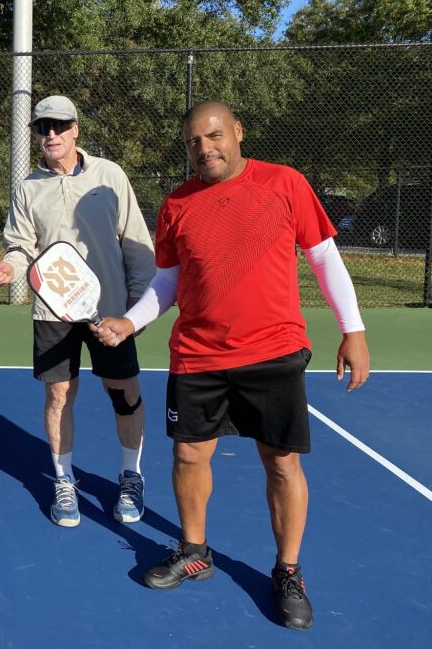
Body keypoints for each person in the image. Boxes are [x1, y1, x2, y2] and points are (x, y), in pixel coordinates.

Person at [92, 100, 370, 631]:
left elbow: (324, 257)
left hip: (272, 351)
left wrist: (352, 331)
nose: (205, 148)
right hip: (197, 355)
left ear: (238, 132)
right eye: (194, 141)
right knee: (190, 456)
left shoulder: (285, 183)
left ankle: (287, 571)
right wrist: (130, 322)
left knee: (282, 463)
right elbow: (168, 281)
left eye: (214, 136)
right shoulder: (177, 203)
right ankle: (194, 551)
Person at [0, 95, 156, 528]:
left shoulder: (109, 175)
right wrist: (10, 267)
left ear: (76, 128)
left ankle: (131, 475)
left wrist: (138, 306)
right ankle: (64, 480)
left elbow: (135, 241)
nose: (51, 134)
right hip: (52, 314)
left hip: (111, 310)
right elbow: (21, 248)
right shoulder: (27, 187)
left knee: (124, 392)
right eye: (43, 127)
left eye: (59, 125)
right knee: (59, 395)